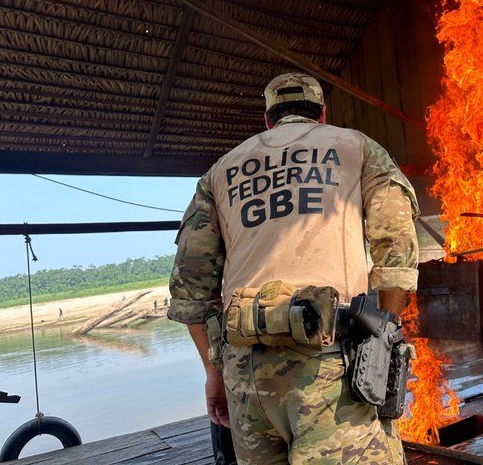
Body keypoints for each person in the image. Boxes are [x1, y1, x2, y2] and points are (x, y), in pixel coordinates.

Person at [167, 72, 420, 465]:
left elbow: (190, 288)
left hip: (246, 378)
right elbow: (397, 241)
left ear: (268, 120)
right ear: (322, 114)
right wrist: (385, 331)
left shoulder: (219, 172)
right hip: (330, 369)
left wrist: (215, 372)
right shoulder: (356, 147)